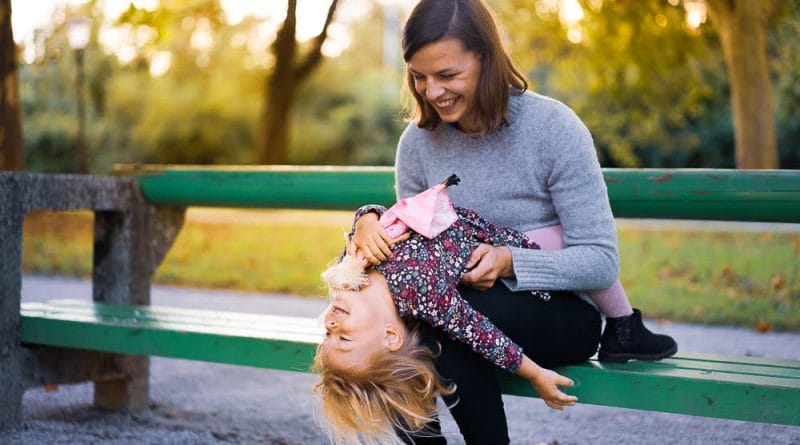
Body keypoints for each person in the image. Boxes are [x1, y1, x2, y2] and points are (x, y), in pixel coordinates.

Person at [346, 0, 677, 443]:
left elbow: (599, 262)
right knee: (394, 327)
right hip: (454, 309)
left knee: (432, 323)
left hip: (561, 312)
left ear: (487, 58)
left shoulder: (553, 128)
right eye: (419, 76)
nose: (432, 91)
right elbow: (413, 245)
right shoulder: (418, 144)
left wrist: (508, 262)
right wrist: (368, 220)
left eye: (447, 75)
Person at [314, 193, 577, 445]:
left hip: (437, 210)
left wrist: (366, 220)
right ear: (390, 336)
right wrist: (535, 373)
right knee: (556, 241)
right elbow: (481, 334)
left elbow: (385, 218)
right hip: (490, 240)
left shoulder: (347, 274)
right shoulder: (421, 295)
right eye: (344, 337)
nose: (331, 325)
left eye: (328, 335)